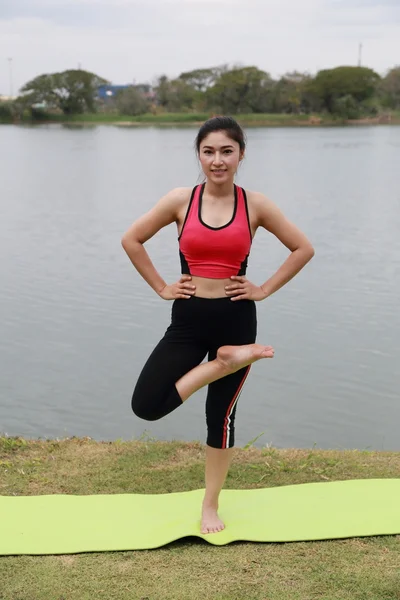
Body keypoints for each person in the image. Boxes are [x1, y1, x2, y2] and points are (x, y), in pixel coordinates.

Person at [121, 116, 314, 535]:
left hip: (236, 318)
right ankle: (222, 363)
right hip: (188, 320)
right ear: (199, 155)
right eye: (208, 151)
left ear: (241, 154)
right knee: (147, 404)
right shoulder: (180, 200)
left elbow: (303, 248)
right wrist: (160, 287)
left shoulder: (255, 205)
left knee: (220, 417)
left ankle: (210, 505)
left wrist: (263, 289)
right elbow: (131, 239)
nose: (217, 160)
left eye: (227, 151)